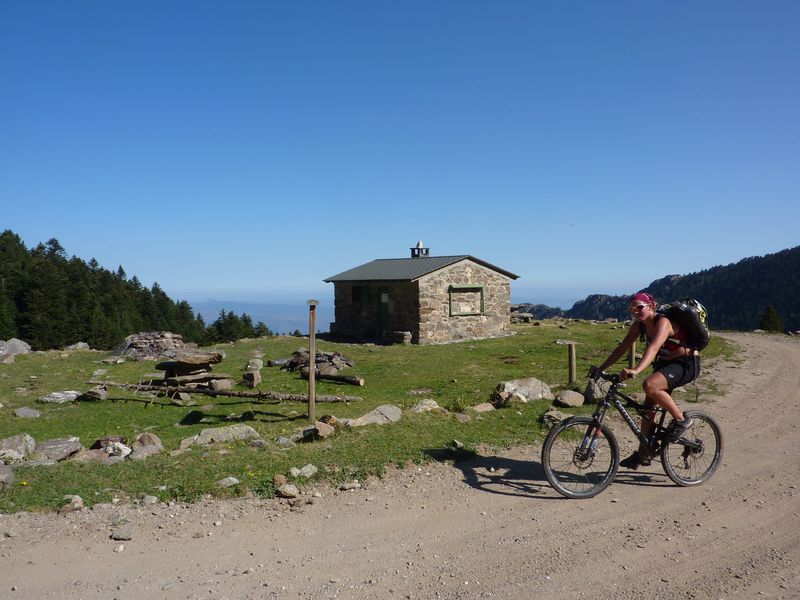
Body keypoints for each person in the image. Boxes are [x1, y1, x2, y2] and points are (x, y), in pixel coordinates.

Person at [590, 292, 699, 469]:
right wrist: (601, 369)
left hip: (686, 363)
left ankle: (681, 420)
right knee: (648, 411)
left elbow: (654, 348)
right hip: (667, 364)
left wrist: (636, 370)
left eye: (639, 307)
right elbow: (622, 348)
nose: (635, 311)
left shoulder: (663, 322)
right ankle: (644, 453)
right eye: (632, 308)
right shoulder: (639, 326)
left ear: (651, 306)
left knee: (649, 385)